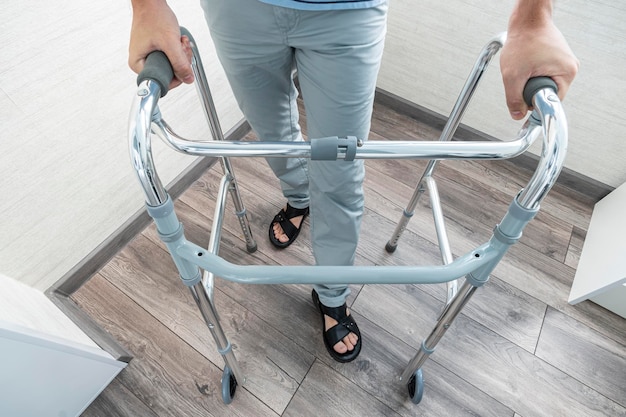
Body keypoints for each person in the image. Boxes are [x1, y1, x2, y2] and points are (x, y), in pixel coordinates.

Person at [129, 0, 578, 363]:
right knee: (271, 137)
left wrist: (533, 17)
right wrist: (146, 5)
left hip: (347, 10)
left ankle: (332, 293)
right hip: (238, 9)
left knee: (341, 166)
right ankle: (298, 198)